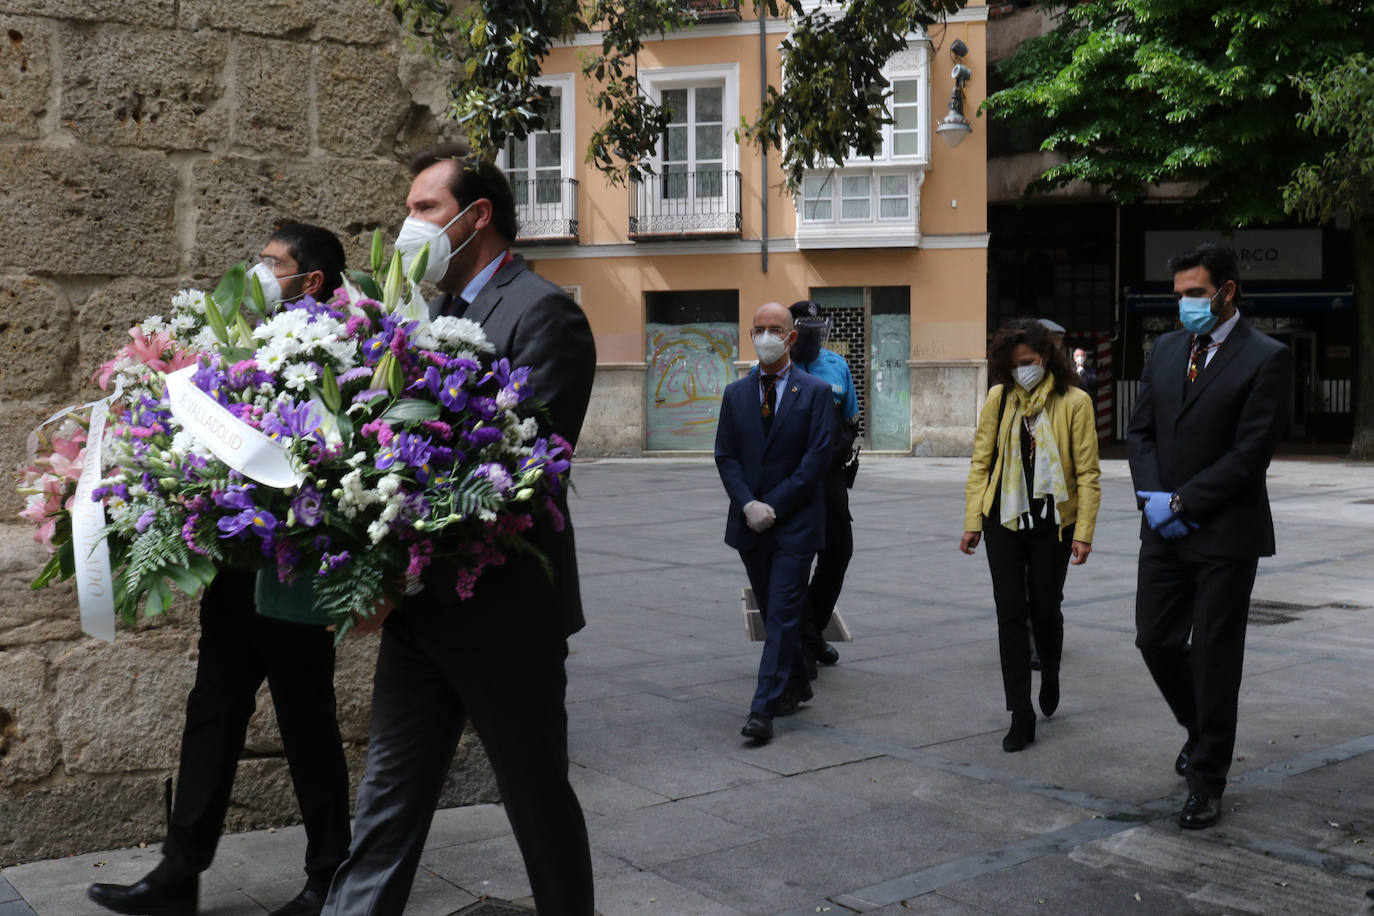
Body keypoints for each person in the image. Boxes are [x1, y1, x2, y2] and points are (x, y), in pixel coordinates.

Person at [321, 144, 597, 915]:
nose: (408, 226)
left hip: (504, 613)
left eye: (424, 209)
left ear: (477, 217)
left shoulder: (544, 312)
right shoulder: (427, 315)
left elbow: (524, 469)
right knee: (388, 801)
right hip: (419, 611)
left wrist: (401, 560)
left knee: (535, 800)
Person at [89, 223, 352, 916]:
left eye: (273, 263)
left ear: (312, 280)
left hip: (292, 571)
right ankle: (179, 874)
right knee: (212, 712)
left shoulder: (339, 351)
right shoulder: (237, 341)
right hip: (238, 566)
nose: (259, 271)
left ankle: (332, 874)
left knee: (306, 719)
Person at [1127, 242, 1291, 830]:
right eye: (1179, 296)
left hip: (1225, 533)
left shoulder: (1266, 357)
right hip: (1163, 531)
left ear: (1227, 291)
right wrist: (1153, 500)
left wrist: (1185, 500)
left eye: (1195, 294)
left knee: (1216, 659)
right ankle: (1201, 730)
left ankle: (1206, 779)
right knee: (1154, 640)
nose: (1185, 306)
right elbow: (1140, 431)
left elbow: (1251, 454)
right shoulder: (1167, 350)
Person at [960, 318, 1100, 753]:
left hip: (1052, 522)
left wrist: (1084, 532)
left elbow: (1088, 473)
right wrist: (971, 521)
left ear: (1047, 358)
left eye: (1032, 360)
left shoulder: (1074, 401)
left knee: (1044, 608)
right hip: (1002, 517)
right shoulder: (999, 400)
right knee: (1009, 612)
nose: (1025, 369)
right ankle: (1020, 712)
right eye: (1017, 363)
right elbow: (981, 462)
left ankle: (1051, 670)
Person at [715, 302, 834, 744]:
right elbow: (725, 455)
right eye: (759, 329)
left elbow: (817, 459)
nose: (766, 337)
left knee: (782, 614)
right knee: (773, 610)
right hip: (750, 524)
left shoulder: (815, 392)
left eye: (775, 329)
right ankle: (799, 680)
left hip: (795, 523)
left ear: (791, 337)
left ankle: (762, 708)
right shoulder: (735, 394)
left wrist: (773, 505)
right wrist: (748, 504)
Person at [788, 300, 859, 673]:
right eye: (807, 327)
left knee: (839, 553)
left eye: (820, 327)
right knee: (795, 562)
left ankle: (811, 631)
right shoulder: (780, 367)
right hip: (793, 481)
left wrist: (839, 447)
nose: (815, 335)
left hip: (831, 477)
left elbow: (850, 418)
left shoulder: (837, 365)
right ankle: (804, 640)